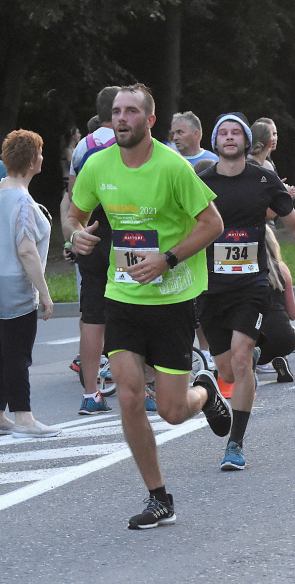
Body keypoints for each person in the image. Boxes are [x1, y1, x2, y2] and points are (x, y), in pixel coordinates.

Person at [67, 83, 231, 529]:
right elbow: (73, 207)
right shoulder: (98, 164)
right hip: (122, 295)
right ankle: (159, 497)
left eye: (131, 112)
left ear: (149, 120)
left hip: (172, 298)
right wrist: (75, 232)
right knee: (129, 396)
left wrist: (168, 258)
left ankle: (207, 392)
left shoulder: (172, 167)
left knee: (174, 411)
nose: (121, 119)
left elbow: (212, 223)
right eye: (116, 112)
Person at [197, 112, 295, 470]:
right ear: (214, 141)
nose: (228, 137)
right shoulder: (200, 181)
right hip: (210, 287)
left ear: (245, 140)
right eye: (221, 132)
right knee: (226, 370)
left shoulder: (264, 179)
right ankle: (214, 396)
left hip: (251, 284)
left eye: (235, 131)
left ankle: (235, 445)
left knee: (241, 361)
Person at [61, 86, 121, 415]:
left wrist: (75, 235)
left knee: (93, 316)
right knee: (138, 310)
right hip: (126, 234)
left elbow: (74, 196)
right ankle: (146, 388)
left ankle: (90, 393)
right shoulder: (131, 143)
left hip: (91, 234)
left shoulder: (84, 146)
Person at [0, 129, 59, 438]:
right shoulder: (23, 201)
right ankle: (23, 417)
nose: (43, 157)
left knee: (2, 351)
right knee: (18, 353)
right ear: (32, 160)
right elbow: (26, 249)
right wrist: (45, 293)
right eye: (40, 152)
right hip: (15, 288)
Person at [253, 226, 295, 383]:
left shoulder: (247, 270)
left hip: (255, 340)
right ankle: (281, 357)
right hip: (286, 339)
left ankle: (258, 363)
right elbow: (292, 314)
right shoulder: (282, 268)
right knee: (293, 331)